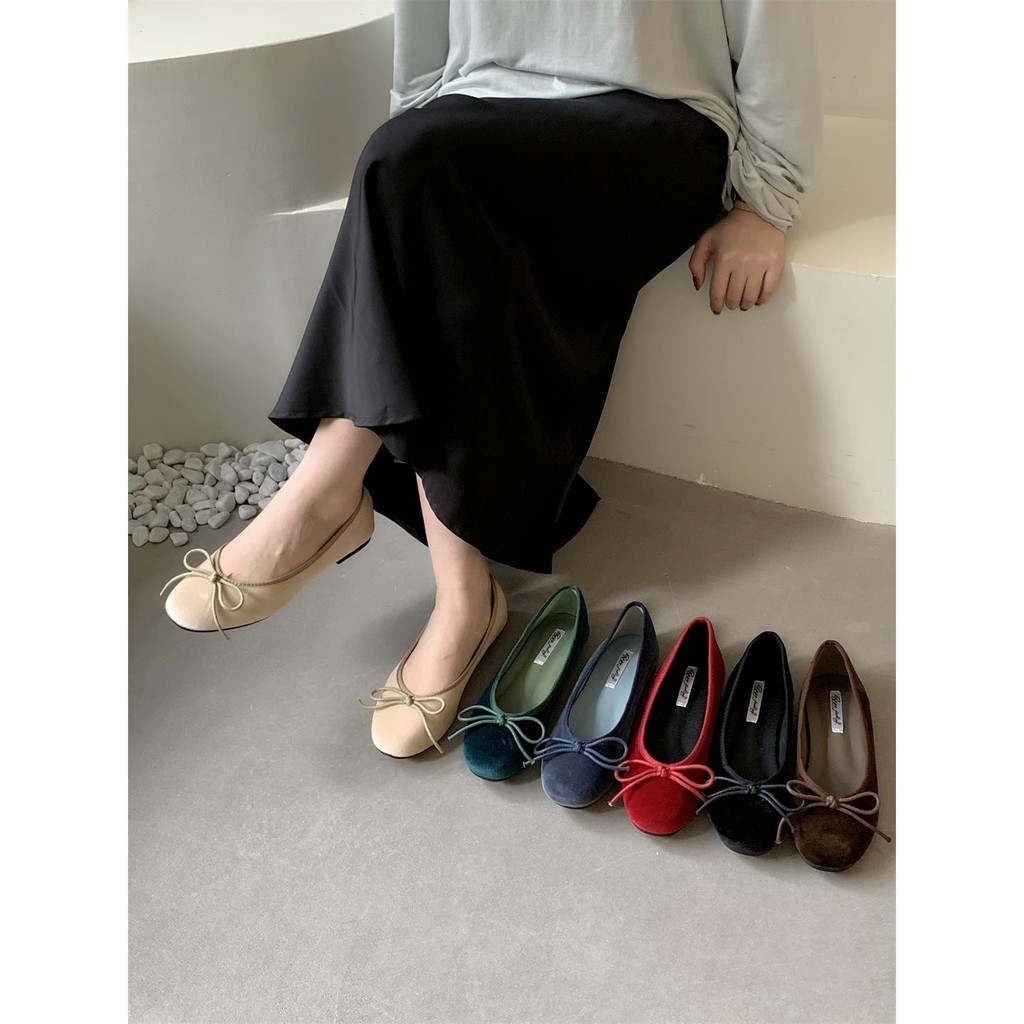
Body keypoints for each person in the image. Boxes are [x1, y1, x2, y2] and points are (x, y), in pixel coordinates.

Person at [161, 0, 822, 754]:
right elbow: (425, 38)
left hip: (661, 123)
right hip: (483, 105)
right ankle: (456, 588)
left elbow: (772, 30)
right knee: (408, 162)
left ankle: (334, 497)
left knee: (423, 170)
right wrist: (419, 174)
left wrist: (766, 202)